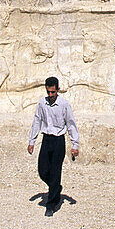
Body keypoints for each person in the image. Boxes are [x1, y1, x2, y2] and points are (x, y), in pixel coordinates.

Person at [27, 76, 79, 216]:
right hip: (46, 140)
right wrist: (32, 141)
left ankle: (50, 205)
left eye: (53, 92)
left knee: (55, 171)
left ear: (58, 90)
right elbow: (37, 121)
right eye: (48, 92)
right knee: (42, 170)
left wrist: (75, 145)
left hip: (58, 141)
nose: (50, 95)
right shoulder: (42, 103)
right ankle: (56, 188)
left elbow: (71, 124)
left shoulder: (64, 104)